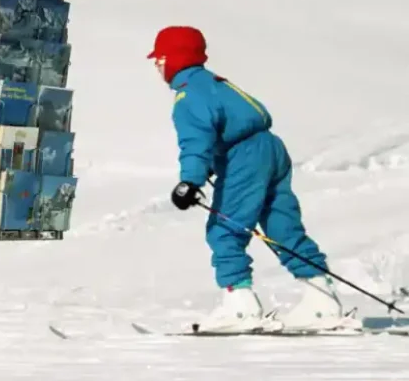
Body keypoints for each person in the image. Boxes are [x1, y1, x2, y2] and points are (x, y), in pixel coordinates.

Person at [149, 25, 350, 333]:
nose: (156, 65)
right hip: (270, 148)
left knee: (225, 229)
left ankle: (239, 306)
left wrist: (190, 182)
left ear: (174, 58)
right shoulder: (217, 83)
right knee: (282, 225)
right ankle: (321, 300)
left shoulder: (189, 96)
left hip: (245, 157)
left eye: (159, 58)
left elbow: (195, 142)